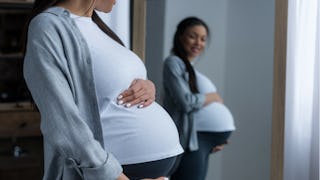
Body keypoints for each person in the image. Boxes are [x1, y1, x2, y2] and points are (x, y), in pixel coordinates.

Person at [23, 0, 183, 179]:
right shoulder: (48, 26)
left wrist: (148, 87)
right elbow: (62, 123)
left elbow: (109, 87)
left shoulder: (96, 26)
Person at [162, 17, 236, 180]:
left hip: (203, 140)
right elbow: (185, 102)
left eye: (203, 39)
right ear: (180, 36)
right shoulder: (173, 63)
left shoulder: (190, 67)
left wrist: (218, 136)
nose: (198, 42)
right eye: (193, 36)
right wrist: (212, 97)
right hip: (192, 140)